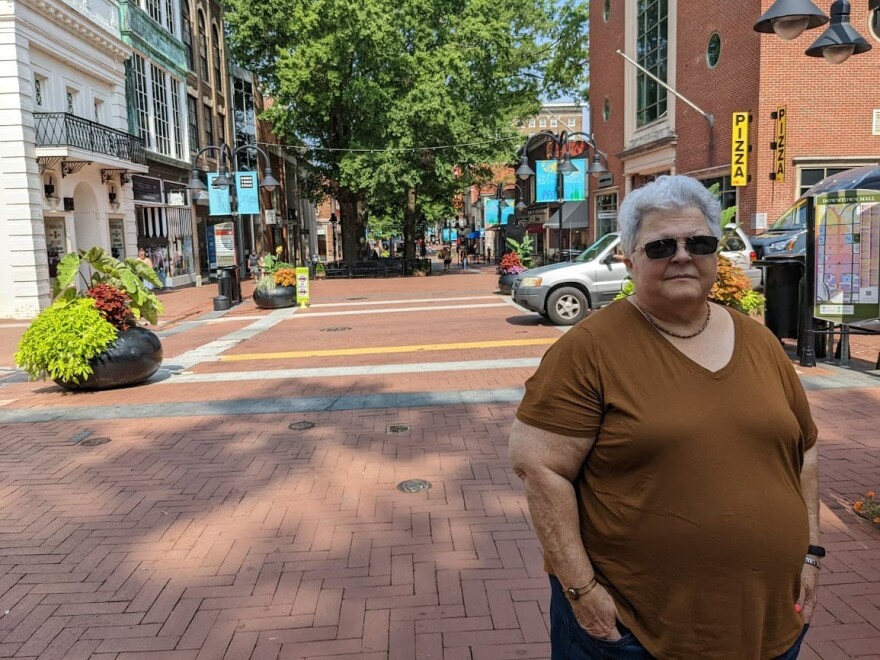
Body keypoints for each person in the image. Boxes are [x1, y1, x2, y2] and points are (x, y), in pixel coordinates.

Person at [508, 175, 819, 659]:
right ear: (629, 258)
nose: (681, 255)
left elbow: (807, 449)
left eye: (698, 242)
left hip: (769, 621)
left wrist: (811, 552)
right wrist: (581, 591)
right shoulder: (589, 349)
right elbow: (539, 466)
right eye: (660, 247)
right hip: (639, 631)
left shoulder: (759, 342)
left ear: (715, 253)